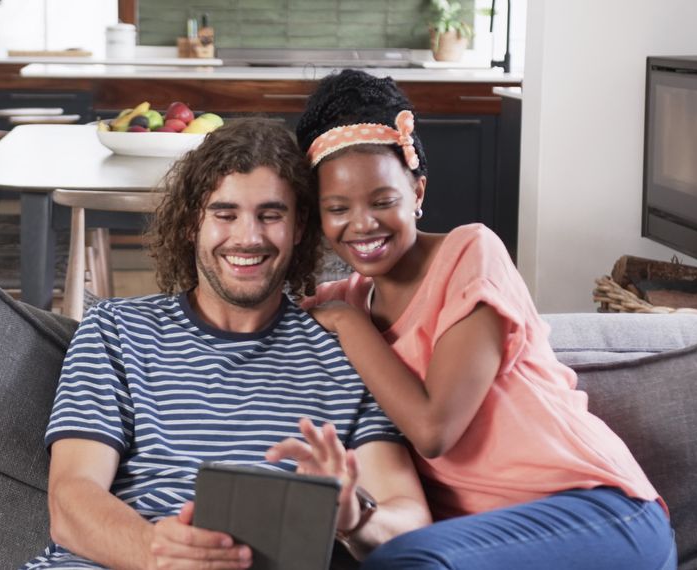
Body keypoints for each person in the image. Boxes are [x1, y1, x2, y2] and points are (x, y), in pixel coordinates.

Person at [294, 69, 677, 569]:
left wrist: (348, 324)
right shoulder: (343, 297)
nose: (362, 223)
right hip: (482, 546)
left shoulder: (470, 255)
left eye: (383, 201)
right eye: (337, 208)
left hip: (601, 515)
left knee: (405, 560)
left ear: (419, 194)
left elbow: (434, 431)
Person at [23, 118, 431, 570]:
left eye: (271, 215)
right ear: (190, 223)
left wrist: (355, 519)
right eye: (225, 214)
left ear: (299, 228)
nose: (248, 237)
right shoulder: (115, 330)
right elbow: (71, 500)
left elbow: (410, 520)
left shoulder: (347, 356)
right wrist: (161, 556)